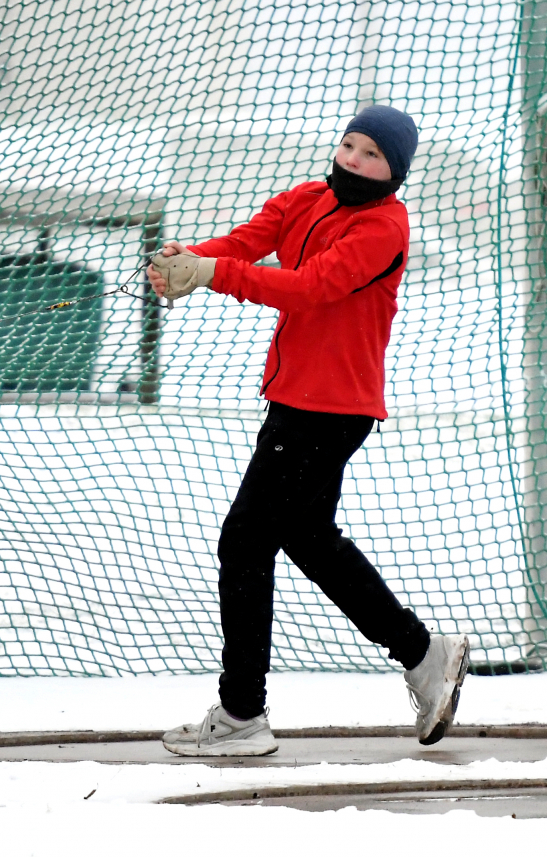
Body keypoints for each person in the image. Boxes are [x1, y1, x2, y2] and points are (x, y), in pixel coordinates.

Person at [147, 105, 470, 757]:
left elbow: (307, 288)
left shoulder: (386, 227)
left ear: (395, 170)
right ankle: (422, 653)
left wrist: (211, 275)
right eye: (350, 145)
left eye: (373, 154)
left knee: (244, 542)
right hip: (298, 401)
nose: (353, 159)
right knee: (308, 538)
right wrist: (190, 260)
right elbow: (245, 242)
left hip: (332, 410)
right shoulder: (306, 199)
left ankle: (242, 714)